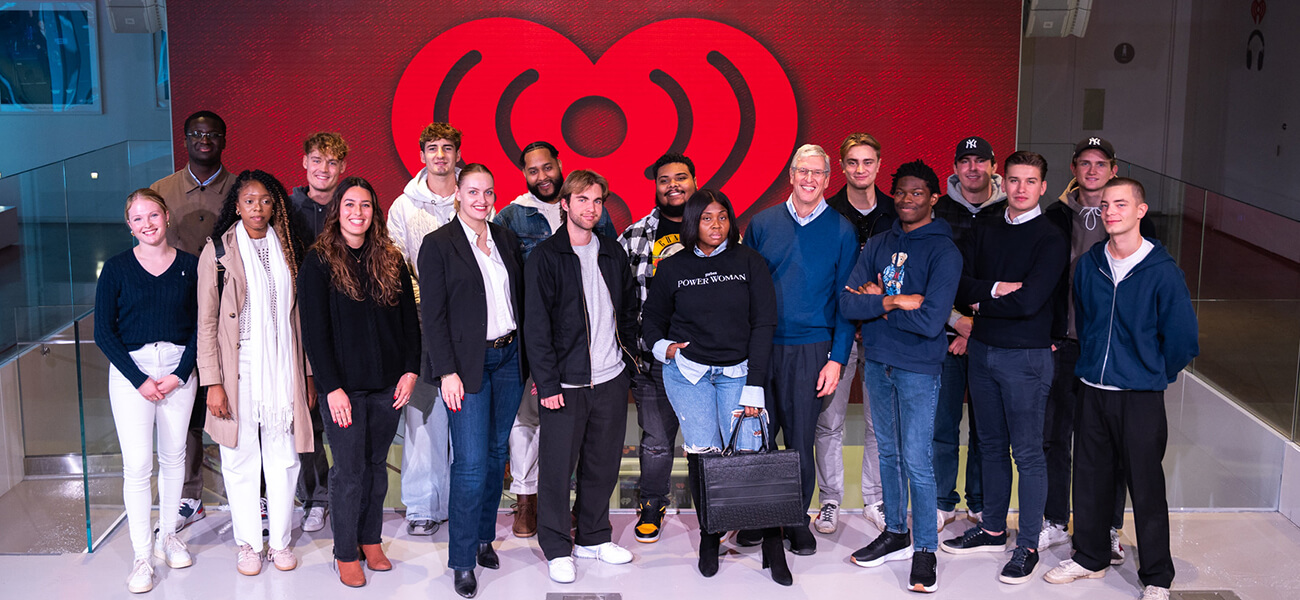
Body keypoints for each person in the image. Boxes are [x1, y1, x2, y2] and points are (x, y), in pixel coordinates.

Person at [1043, 177, 1197, 600]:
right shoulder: (1090, 264)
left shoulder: (1163, 273)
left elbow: (1183, 340)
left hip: (1140, 396)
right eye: (1107, 204)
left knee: (1146, 486)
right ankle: (1089, 556)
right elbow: (1089, 322)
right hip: (1092, 387)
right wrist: (1096, 363)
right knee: (1089, 479)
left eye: (1121, 204)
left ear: (1140, 211)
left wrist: (1150, 373)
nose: (1112, 211)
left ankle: (1157, 577)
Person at [639, 189, 785, 584]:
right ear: (692, 223)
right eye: (706, 218)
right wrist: (663, 348)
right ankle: (710, 535)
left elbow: (764, 324)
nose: (716, 225)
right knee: (704, 460)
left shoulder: (750, 262)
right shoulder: (674, 267)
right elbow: (651, 316)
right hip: (690, 375)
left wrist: (755, 385)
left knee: (750, 457)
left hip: (740, 375)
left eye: (722, 216)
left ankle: (772, 542)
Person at [942, 152, 1068, 586]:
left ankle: (1028, 545)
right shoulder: (986, 226)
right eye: (1013, 180)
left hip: (1026, 357)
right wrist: (995, 290)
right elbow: (961, 284)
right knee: (990, 445)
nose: (1020, 189)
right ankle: (994, 528)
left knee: (1028, 453)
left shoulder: (1051, 237)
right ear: (1003, 181)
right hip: (983, 352)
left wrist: (984, 301)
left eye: (1029, 181)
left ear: (1042, 187)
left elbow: (1033, 300)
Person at [839, 160, 961, 594]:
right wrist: (895, 302)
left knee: (916, 460)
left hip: (918, 368)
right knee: (887, 454)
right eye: (901, 192)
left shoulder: (944, 251)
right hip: (878, 363)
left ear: (933, 197)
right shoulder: (877, 242)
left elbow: (931, 322)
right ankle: (896, 532)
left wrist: (880, 300)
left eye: (917, 192)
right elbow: (850, 303)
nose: (907, 199)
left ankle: (925, 547)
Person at [298, 177, 420, 587]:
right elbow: (314, 332)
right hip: (344, 389)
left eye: (365, 205)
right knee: (349, 471)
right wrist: (331, 387)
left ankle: (371, 540)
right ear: (338, 210)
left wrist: (410, 369)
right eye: (349, 204)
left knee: (376, 467)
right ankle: (345, 551)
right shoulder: (318, 261)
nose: (357, 213)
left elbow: (408, 323)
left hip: (388, 385)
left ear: (375, 211)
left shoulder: (390, 258)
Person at [495, 141, 617, 538]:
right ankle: (528, 500)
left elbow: (616, 288)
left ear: (559, 166)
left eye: (547, 167)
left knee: (593, 447)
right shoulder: (512, 217)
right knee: (528, 424)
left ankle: (588, 519)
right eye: (533, 171)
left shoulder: (595, 215)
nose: (542, 176)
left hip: (594, 353)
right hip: (537, 341)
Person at [741, 144, 858, 555]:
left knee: (800, 441)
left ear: (829, 180)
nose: (809, 180)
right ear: (790, 175)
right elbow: (746, 291)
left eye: (817, 174)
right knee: (756, 439)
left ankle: (795, 519)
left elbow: (846, 302)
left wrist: (837, 359)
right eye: (802, 171)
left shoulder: (842, 230)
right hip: (763, 346)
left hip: (813, 350)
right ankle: (756, 517)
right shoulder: (762, 223)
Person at [522, 170, 638, 584]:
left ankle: (593, 536)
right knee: (556, 470)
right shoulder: (545, 258)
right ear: (565, 204)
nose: (591, 207)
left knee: (602, 465)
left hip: (610, 379)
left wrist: (626, 362)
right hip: (565, 385)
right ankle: (557, 546)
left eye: (597, 200)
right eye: (582, 200)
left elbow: (626, 311)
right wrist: (548, 384)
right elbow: (536, 328)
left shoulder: (612, 251)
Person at [197, 170, 314, 576]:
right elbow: (206, 322)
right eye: (249, 201)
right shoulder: (217, 251)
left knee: (283, 459)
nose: (258, 208)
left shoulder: (291, 249)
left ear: (276, 203)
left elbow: (302, 319)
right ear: (236, 205)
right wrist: (212, 382)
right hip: (238, 370)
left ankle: (280, 542)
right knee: (240, 458)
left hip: (284, 368)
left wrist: (309, 373)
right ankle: (247, 543)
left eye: (265, 200)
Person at [417, 164, 527, 598]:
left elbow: (517, 300)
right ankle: (462, 560)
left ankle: (484, 538)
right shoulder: (438, 245)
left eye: (489, 192)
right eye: (473, 192)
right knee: (470, 464)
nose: (482, 200)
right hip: (467, 365)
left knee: (497, 452)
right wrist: (446, 372)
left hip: (510, 357)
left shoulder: (504, 238)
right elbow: (434, 315)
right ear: (458, 195)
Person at [1041, 137, 1152, 559]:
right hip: (1063, 343)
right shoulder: (1054, 216)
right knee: (1056, 437)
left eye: (1100, 163)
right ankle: (1055, 519)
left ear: (1112, 168)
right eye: (1084, 163)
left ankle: (1108, 526)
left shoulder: (1134, 220)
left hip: (1111, 349)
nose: (1091, 170)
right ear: (1073, 168)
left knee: (1111, 444)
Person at [95, 189, 200, 593]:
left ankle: (168, 536)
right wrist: (139, 380)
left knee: (174, 457)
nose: (147, 224)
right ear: (129, 225)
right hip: (131, 372)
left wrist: (178, 374)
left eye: (153, 215)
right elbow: (103, 332)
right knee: (138, 464)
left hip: (176, 371)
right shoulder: (117, 269)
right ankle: (142, 556)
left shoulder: (190, 267)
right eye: (138, 218)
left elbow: (199, 327)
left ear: (167, 216)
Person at [151, 110, 234, 530]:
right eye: (196, 134)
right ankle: (189, 496)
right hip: (179, 314)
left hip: (233, 314)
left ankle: (247, 493)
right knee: (184, 410)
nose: (204, 139)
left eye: (212, 134)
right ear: (185, 139)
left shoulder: (241, 190)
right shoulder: (161, 192)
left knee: (234, 399)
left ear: (224, 139)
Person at [388, 122, 468, 537]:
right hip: (421, 323)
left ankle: (461, 503)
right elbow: (397, 267)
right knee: (423, 416)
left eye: (447, 148)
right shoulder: (403, 208)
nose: (440, 155)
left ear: (458, 154)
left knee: (466, 416)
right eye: (432, 148)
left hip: (470, 324)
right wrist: (427, 306)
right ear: (421, 156)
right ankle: (421, 505)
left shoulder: (470, 197)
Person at [815, 133, 896, 535]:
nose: (860, 169)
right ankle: (830, 500)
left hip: (884, 333)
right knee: (828, 421)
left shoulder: (897, 213)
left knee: (879, 423)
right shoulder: (827, 214)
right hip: (840, 332)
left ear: (879, 165)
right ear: (841, 168)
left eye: (868, 162)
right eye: (852, 162)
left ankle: (874, 499)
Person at [618, 152, 697, 543]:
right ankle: (652, 503)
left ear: (694, 181)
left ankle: (716, 507)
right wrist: (633, 351)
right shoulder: (634, 235)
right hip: (654, 361)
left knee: (707, 442)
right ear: (656, 187)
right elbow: (617, 298)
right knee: (655, 443)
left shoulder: (716, 230)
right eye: (664, 180)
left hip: (708, 361)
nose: (673, 186)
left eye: (680, 178)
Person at [931, 136, 1006, 532]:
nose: (973, 168)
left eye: (981, 161)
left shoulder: (1010, 211)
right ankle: (943, 501)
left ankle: (979, 500)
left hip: (993, 337)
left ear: (993, 166)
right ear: (955, 168)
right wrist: (956, 321)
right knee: (943, 425)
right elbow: (928, 277)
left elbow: (1016, 279)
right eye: (965, 161)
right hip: (945, 336)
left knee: (987, 428)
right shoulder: (938, 211)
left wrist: (976, 328)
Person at [288, 131, 351, 533]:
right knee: (304, 416)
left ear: (342, 168)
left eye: (331, 162)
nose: (323, 169)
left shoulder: (352, 206)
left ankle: (344, 493)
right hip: (293, 324)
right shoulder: (284, 208)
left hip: (344, 326)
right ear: (305, 163)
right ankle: (313, 495)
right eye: (316, 160)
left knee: (341, 416)